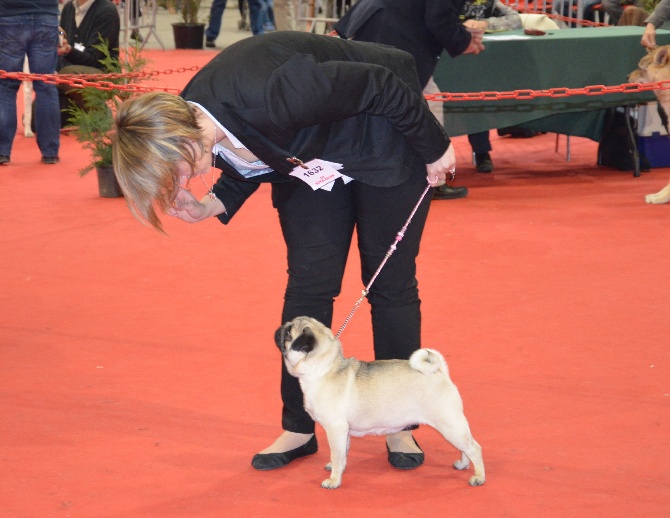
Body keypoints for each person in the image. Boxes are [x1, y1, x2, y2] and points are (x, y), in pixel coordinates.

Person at [112, 31, 457, 471]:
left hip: (385, 132)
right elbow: (255, 148)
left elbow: (380, 86)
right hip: (315, 160)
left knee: (389, 286)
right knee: (309, 286)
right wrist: (212, 204)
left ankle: (400, 422)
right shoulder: (194, 117)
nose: (178, 183)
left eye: (172, 173)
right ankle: (299, 424)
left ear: (181, 142)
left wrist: (435, 146)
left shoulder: (268, 92)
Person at [333, 0, 483, 200]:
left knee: (397, 101)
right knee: (422, 103)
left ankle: (424, 177)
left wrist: (462, 36)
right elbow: (438, 18)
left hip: (375, 21)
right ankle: (431, 179)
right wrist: (463, 41)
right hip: (393, 33)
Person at [460, 0, 522, 174]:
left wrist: (485, 24)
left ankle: (481, 152)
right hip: (443, 58)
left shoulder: (490, 2)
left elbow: (515, 19)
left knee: (476, 98)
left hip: (477, 61)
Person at [0, 0, 60, 165]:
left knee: (5, 86)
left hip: (10, 16)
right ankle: (50, 152)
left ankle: (2, 150)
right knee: (46, 85)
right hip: (46, 15)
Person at [56, 0, 121, 127]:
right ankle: (80, 110)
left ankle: (100, 113)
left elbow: (94, 58)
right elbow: (64, 36)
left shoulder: (107, 10)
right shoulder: (68, 8)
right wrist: (59, 36)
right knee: (36, 121)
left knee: (68, 75)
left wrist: (68, 50)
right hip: (68, 73)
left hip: (101, 71)